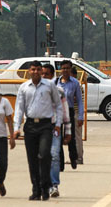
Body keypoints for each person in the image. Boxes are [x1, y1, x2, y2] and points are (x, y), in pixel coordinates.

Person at [13, 61, 62, 201]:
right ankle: (36, 189)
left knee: (45, 155)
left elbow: (58, 105)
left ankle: (45, 187)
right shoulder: (23, 87)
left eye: (38, 69)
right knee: (32, 159)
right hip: (30, 126)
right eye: (33, 69)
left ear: (42, 71)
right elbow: (19, 109)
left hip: (46, 125)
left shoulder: (49, 85)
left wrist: (58, 123)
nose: (35, 72)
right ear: (29, 71)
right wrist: (16, 128)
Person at [42, 64, 71, 198]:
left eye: (46, 74)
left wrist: (68, 131)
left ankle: (54, 185)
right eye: (42, 74)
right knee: (41, 156)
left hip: (54, 127)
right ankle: (43, 184)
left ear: (52, 75)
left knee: (54, 155)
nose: (43, 76)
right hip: (39, 128)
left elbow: (64, 111)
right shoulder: (34, 89)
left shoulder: (59, 91)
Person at [55, 61, 83, 168]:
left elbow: (80, 101)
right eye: (63, 68)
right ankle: (60, 163)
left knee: (71, 136)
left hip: (69, 111)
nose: (65, 70)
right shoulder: (55, 82)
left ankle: (73, 157)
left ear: (70, 69)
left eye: (67, 68)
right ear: (60, 69)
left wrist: (80, 116)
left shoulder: (75, 83)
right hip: (58, 112)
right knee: (58, 137)